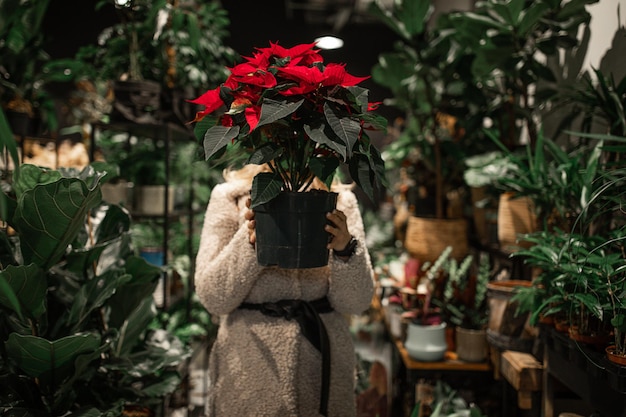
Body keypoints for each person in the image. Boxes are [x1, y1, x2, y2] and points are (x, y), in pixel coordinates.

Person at [194, 164, 375, 417]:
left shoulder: (338, 200)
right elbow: (213, 296)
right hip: (248, 366)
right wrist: (250, 241)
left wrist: (346, 250)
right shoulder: (231, 197)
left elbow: (356, 302)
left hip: (322, 364)